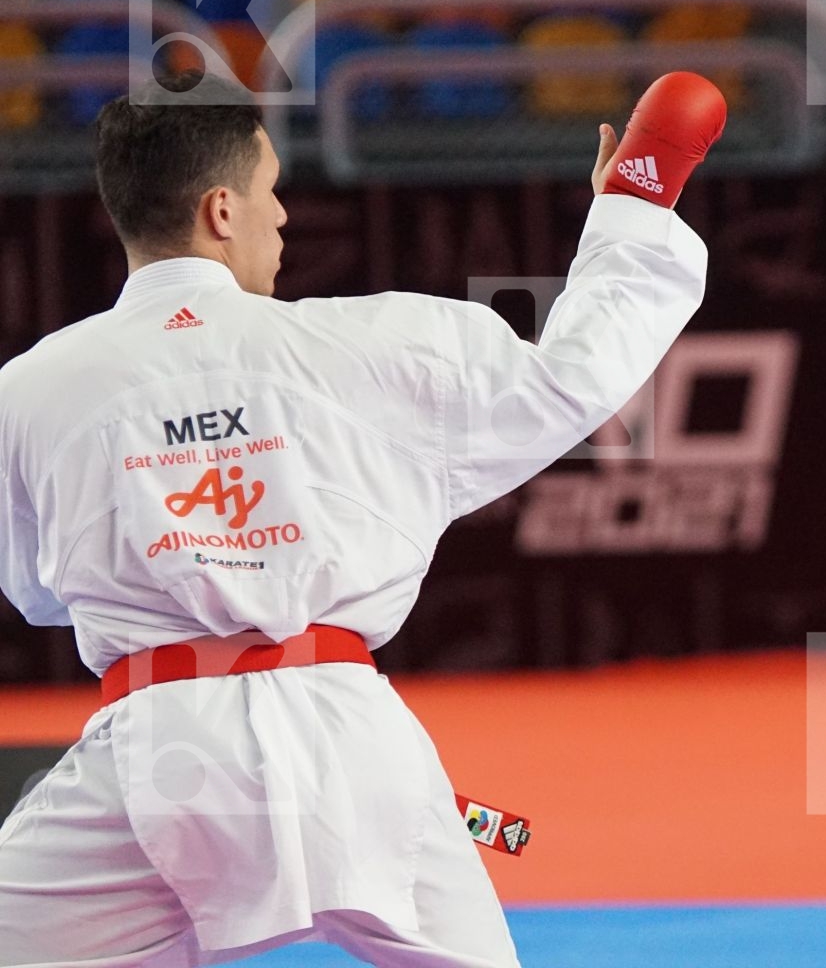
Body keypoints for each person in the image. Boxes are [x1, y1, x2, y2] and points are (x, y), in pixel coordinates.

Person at [0, 69, 725, 966]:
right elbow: (569, 382)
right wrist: (631, 208)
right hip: (355, 749)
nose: (284, 217)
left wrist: (176, 544)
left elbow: (36, 593)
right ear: (222, 210)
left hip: (158, 759)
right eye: (271, 193)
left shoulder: (29, 391)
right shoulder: (372, 347)